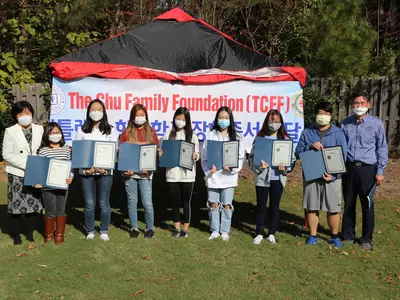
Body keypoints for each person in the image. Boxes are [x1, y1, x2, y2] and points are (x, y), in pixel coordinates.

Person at [296, 102, 347, 248]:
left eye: (326, 113)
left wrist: (335, 175)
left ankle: (334, 236)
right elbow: (298, 152)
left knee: (333, 208)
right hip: (312, 175)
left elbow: (344, 156)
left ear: (330, 116)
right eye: (320, 112)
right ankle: (313, 235)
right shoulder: (307, 132)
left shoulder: (338, 133)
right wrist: (309, 146)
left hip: (331, 178)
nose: (322, 116)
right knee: (312, 207)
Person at [341, 93, 388, 251]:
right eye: (355, 103)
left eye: (362, 102)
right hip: (349, 168)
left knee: (367, 204)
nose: (358, 105)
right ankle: (347, 235)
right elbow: (340, 146)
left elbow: (382, 148)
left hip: (368, 169)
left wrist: (380, 170)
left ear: (368, 104)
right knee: (348, 203)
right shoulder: (345, 123)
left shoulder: (376, 124)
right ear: (352, 105)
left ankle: (366, 238)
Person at [249, 109, 296, 245]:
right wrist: (259, 166)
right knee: (261, 207)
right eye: (271, 120)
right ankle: (259, 233)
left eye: (276, 121)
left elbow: (291, 159)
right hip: (262, 178)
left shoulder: (285, 140)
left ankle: (271, 233)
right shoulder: (260, 138)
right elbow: (251, 159)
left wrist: (285, 168)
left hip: (277, 178)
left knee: (275, 207)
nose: (274, 123)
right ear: (266, 122)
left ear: (281, 123)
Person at [75, 99, 118, 241]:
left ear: (104, 112)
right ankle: (90, 230)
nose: (96, 112)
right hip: (87, 172)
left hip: (105, 172)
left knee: (104, 202)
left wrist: (104, 167)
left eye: (99, 109)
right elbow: (78, 152)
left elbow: (114, 151)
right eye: (93, 109)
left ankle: (104, 230)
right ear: (88, 112)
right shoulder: (81, 130)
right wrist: (85, 168)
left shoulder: (111, 130)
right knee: (89, 203)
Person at [2, 101, 44, 245]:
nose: (25, 116)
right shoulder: (10, 131)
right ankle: (16, 236)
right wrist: (26, 165)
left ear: (32, 113)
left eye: (27, 113)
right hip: (17, 172)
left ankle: (30, 233)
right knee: (16, 206)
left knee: (33, 204)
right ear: (15, 116)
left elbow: (45, 147)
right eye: (21, 113)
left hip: (35, 171)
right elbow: (6, 154)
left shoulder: (40, 129)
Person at [201, 106, 245, 241]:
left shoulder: (237, 137)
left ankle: (225, 230)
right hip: (214, 176)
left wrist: (232, 168)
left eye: (226, 118)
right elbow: (204, 157)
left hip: (228, 177)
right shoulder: (210, 135)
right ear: (216, 119)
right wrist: (209, 170)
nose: (223, 120)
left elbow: (241, 157)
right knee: (213, 203)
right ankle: (214, 230)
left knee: (226, 204)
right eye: (221, 117)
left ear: (230, 120)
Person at [119, 104, 160, 239]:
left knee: (147, 202)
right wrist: (126, 169)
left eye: (142, 115)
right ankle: (134, 228)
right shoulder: (126, 133)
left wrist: (155, 158)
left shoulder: (151, 132)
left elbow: (155, 152)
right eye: (137, 115)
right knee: (132, 201)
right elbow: (121, 153)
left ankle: (149, 228)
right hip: (130, 173)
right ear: (132, 117)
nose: (140, 118)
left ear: (146, 116)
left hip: (146, 174)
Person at [163, 107, 200, 238]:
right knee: (175, 202)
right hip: (172, 173)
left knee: (186, 202)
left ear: (187, 121)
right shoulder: (168, 135)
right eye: (178, 118)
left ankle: (185, 228)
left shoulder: (192, 137)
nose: (180, 121)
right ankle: (177, 228)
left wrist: (195, 156)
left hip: (187, 175)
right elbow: (164, 153)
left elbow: (197, 154)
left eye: (183, 119)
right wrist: (162, 154)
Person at [36, 122, 73, 244]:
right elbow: (40, 168)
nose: (55, 135)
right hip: (47, 187)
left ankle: (59, 235)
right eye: (52, 133)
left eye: (58, 132)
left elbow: (70, 167)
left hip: (62, 186)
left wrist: (70, 177)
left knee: (61, 210)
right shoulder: (43, 151)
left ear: (61, 134)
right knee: (50, 211)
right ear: (47, 135)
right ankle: (48, 235)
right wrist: (39, 181)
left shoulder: (66, 150)